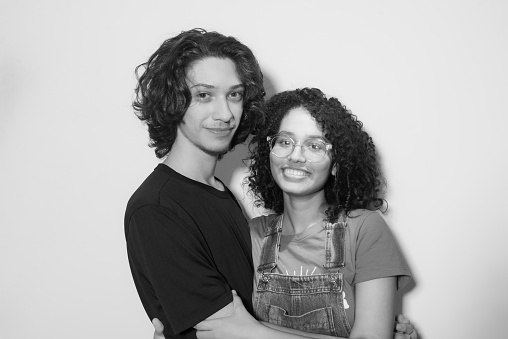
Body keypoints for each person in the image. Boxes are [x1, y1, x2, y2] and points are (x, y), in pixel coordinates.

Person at [124, 28, 417, 339]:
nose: (224, 114)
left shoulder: (222, 196)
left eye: (234, 94)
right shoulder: (158, 208)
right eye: (204, 94)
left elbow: (241, 329)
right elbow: (220, 332)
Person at [192, 88, 413, 339]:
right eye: (285, 141)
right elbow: (216, 325)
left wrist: (255, 332)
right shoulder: (254, 234)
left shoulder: (364, 229)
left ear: (336, 164)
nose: (296, 156)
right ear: (270, 153)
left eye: (314, 145)